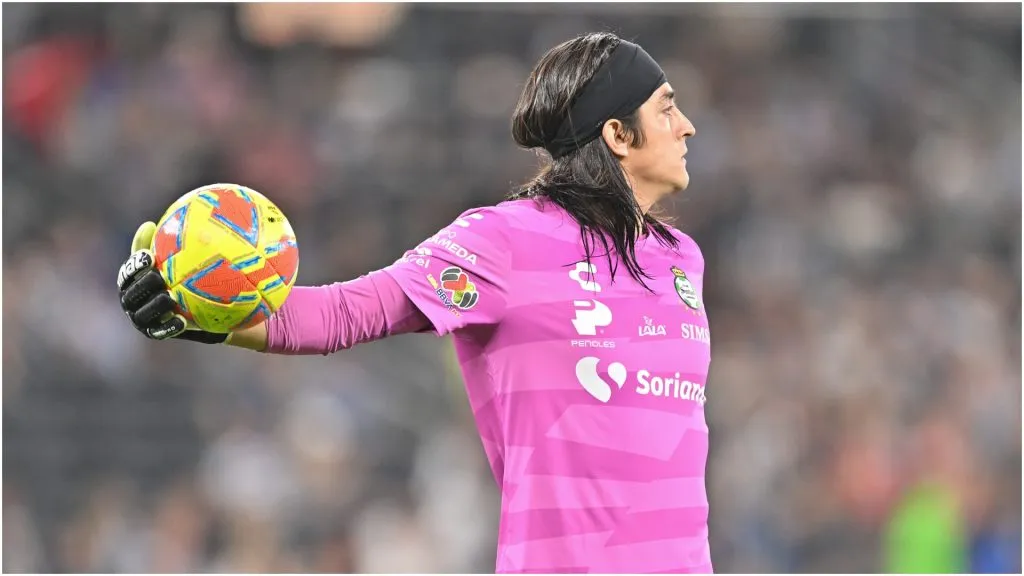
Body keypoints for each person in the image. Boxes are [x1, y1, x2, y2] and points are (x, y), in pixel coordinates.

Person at [118, 32, 708, 573]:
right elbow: (345, 313)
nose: (687, 126)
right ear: (617, 134)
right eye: (666, 107)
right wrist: (195, 312)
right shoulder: (506, 240)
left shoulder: (682, 258)